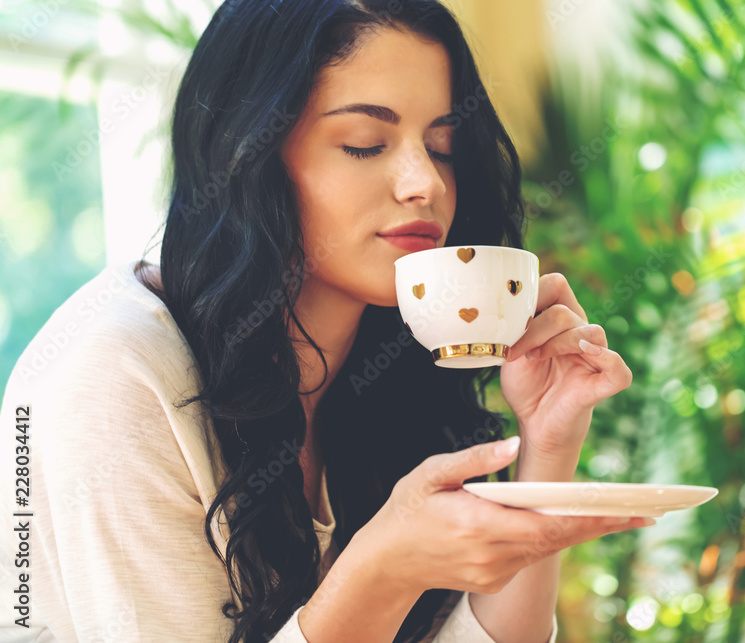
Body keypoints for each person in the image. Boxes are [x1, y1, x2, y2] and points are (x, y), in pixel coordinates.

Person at [0, 1, 647, 641]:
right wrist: (383, 573)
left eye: (444, 145)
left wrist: (549, 442)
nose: (425, 182)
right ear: (248, 153)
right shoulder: (115, 376)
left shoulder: (386, 356)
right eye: (365, 144)